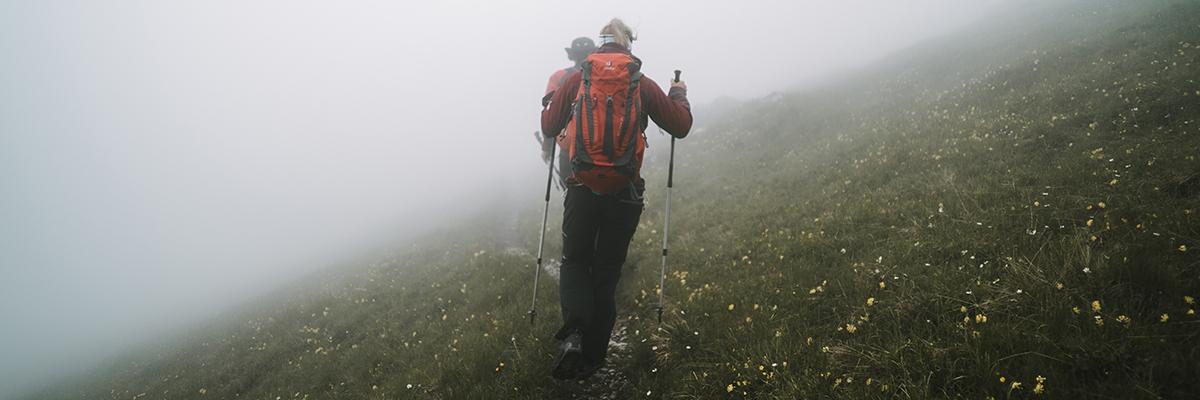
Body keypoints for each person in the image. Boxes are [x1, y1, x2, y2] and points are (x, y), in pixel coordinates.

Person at [539, 18, 692, 380]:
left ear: (600, 43)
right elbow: (681, 127)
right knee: (606, 272)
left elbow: (548, 126)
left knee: (575, 262)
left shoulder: (578, 78)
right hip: (624, 192)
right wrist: (679, 93)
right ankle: (592, 361)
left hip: (581, 187)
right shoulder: (641, 82)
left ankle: (573, 336)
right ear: (629, 45)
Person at [541, 37, 597, 188]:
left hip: (569, 147)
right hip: (601, 146)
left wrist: (547, 147)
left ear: (572, 55)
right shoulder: (603, 74)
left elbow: (551, 114)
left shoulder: (559, 77)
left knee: (571, 195)